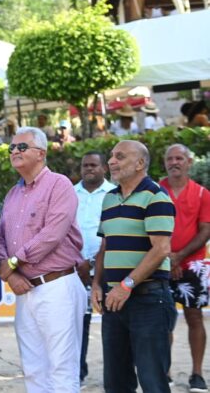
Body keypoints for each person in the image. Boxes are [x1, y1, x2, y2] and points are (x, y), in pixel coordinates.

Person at [0, 127, 87, 392]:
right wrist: (11, 274)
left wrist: (12, 264)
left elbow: (52, 235)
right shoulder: (13, 193)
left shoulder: (60, 184)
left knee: (62, 368)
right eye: (11, 147)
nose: (14, 151)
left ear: (41, 153)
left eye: (21, 147)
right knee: (33, 369)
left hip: (57, 285)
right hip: (25, 290)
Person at [92, 140, 176, 392]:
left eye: (120, 156)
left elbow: (161, 248)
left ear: (140, 163)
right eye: (111, 156)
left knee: (153, 382)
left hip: (148, 300)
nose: (111, 162)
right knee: (116, 383)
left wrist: (126, 285)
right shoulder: (109, 198)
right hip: (113, 301)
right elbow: (105, 247)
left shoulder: (156, 196)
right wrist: (96, 284)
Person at [159, 144, 210, 392]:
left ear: (189, 162)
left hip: (194, 264)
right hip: (160, 263)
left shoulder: (202, 194)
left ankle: (197, 374)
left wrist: (178, 257)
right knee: (162, 320)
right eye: (170, 158)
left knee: (194, 317)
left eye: (179, 158)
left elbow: (206, 231)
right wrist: (167, 258)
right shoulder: (156, 191)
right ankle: (164, 371)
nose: (174, 162)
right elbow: (148, 228)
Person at [73, 151, 116, 384]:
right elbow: (64, 230)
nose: (88, 169)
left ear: (104, 169)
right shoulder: (69, 193)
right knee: (78, 323)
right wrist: (76, 261)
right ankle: (78, 372)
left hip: (107, 267)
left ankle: (116, 375)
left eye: (93, 165)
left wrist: (93, 261)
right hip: (74, 269)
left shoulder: (114, 194)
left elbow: (113, 234)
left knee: (112, 322)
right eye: (85, 165)